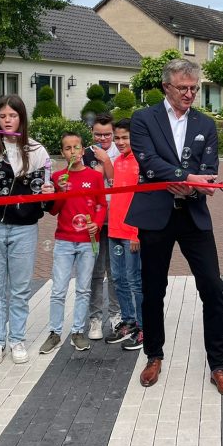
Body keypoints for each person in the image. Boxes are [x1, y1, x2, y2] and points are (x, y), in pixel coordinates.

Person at [126, 59, 223, 397]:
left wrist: (192, 185)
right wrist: (185, 177)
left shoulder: (205, 123)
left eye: (194, 88)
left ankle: (218, 364)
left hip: (193, 215)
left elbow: (210, 166)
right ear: (166, 88)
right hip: (155, 215)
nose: (190, 94)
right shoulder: (144, 118)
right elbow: (147, 161)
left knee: (213, 287)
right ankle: (153, 355)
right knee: (153, 289)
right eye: (183, 88)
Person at [0, 94, 51, 367]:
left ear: (21, 118)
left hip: (24, 228)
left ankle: (17, 339)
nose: (7, 120)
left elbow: (45, 196)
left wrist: (49, 191)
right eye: (2, 116)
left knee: (20, 287)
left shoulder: (36, 150)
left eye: (12, 116)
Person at [39, 132, 107, 353]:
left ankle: (78, 331)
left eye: (76, 147)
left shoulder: (95, 177)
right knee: (58, 289)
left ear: (83, 149)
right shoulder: (59, 177)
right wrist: (60, 191)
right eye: (68, 148)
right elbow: (55, 211)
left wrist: (96, 224)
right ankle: (55, 332)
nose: (73, 152)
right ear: (63, 153)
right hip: (64, 240)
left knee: (83, 289)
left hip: (88, 240)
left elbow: (101, 205)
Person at [104, 118, 144, 350]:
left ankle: (142, 325)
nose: (119, 142)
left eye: (124, 137)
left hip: (131, 232)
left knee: (135, 281)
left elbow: (142, 199)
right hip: (114, 230)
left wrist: (137, 233)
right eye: (116, 137)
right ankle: (128, 320)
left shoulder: (140, 162)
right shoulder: (117, 161)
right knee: (118, 279)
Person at [86, 113, 121, 340]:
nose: (103, 139)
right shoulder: (85, 154)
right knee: (96, 273)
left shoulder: (122, 152)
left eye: (107, 134)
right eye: (98, 134)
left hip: (117, 219)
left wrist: (106, 161)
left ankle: (116, 316)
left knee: (117, 273)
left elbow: (118, 181)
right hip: (94, 223)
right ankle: (95, 318)